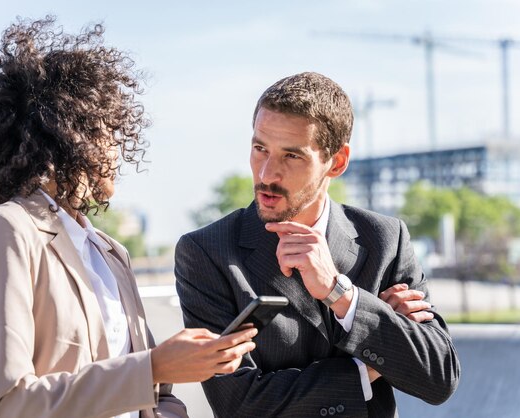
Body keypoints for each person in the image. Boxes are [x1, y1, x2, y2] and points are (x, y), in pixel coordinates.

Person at [0, 17, 257, 418]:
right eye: (107, 133)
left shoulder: (110, 252)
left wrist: (166, 379)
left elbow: (157, 397)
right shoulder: (2, 231)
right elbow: (8, 405)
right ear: (65, 135)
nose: (116, 152)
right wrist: (154, 366)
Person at [175, 72, 460, 417]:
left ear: (336, 162)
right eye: (259, 148)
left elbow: (438, 377)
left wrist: (342, 294)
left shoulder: (385, 239)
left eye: (291, 156)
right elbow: (239, 405)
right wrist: (369, 365)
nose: (266, 174)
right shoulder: (206, 252)